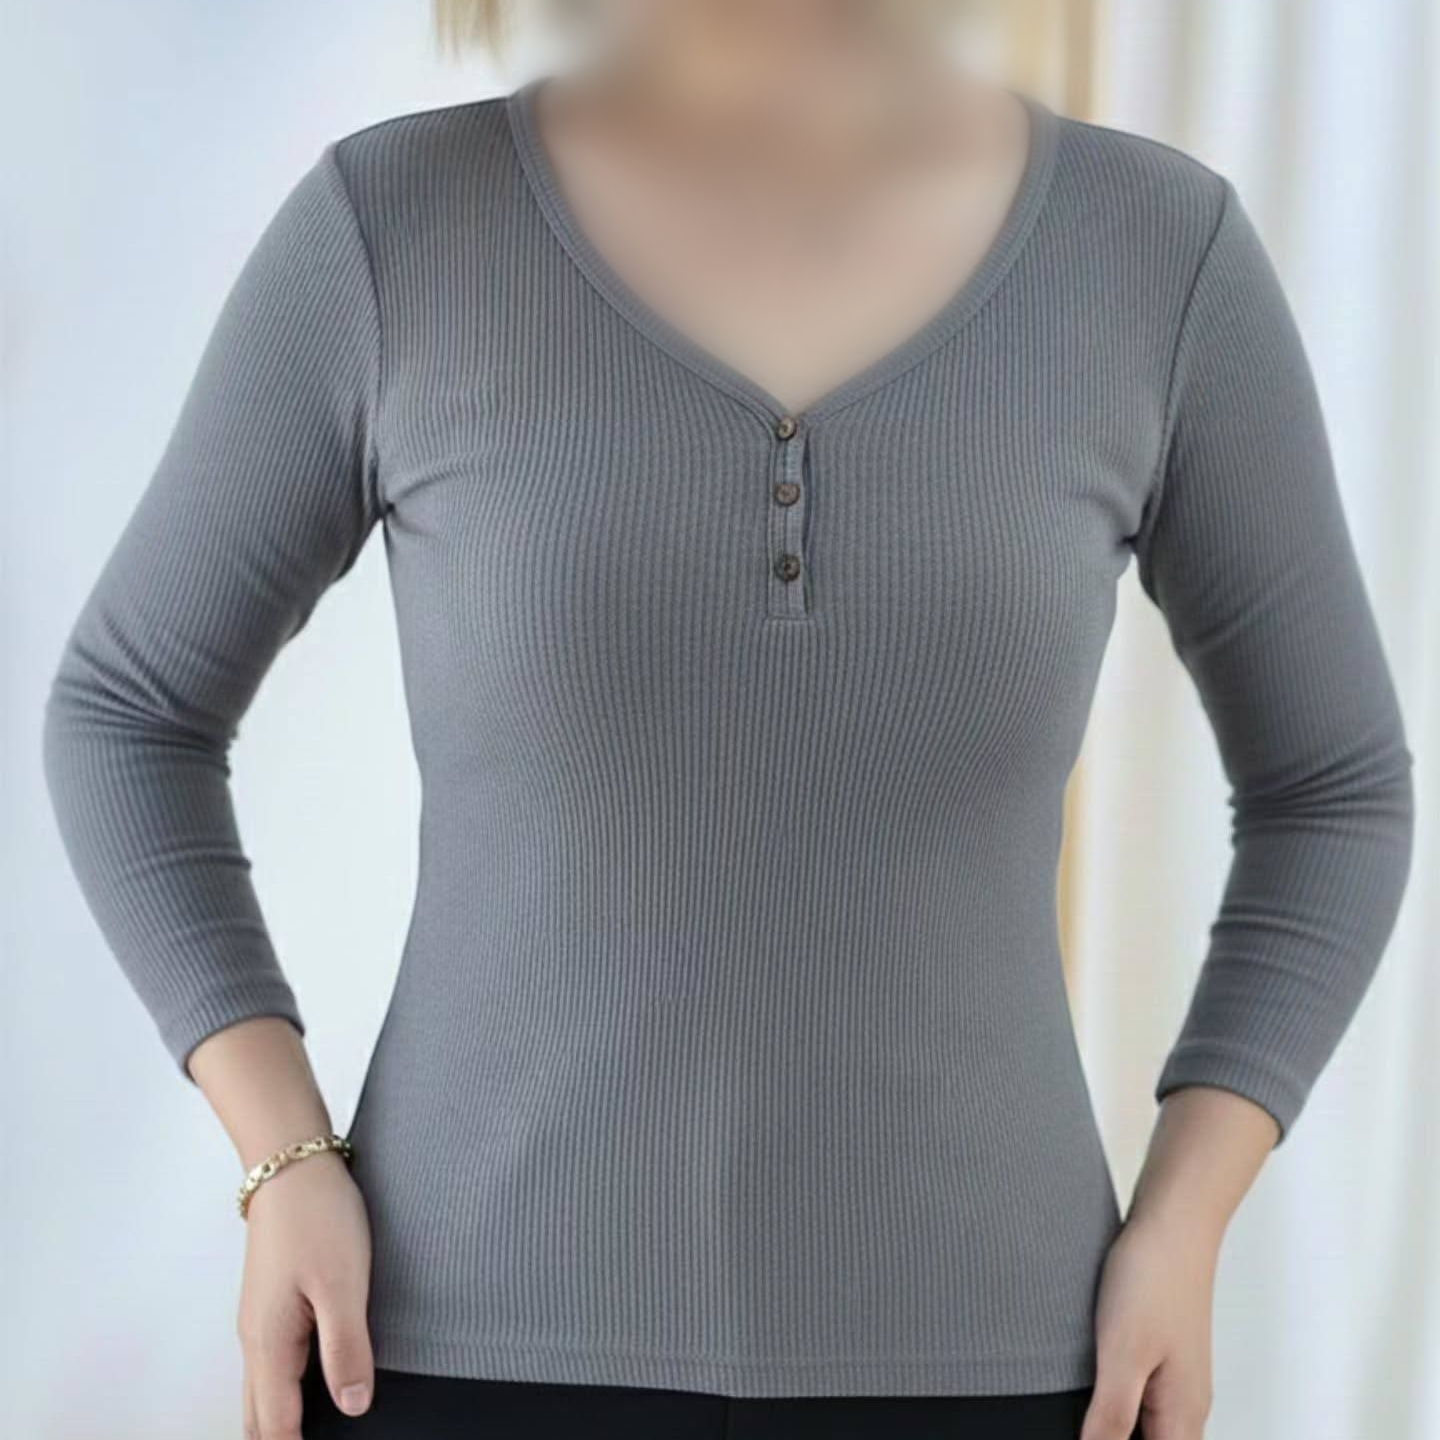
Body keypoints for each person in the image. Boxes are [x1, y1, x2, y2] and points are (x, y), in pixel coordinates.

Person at [40, 1, 1415, 1438]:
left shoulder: (1157, 257)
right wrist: (281, 1155)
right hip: (447, 1353)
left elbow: (1334, 789)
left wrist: (1187, 1221)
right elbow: (131, 711)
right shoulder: (393, 229)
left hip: (998, 1364)